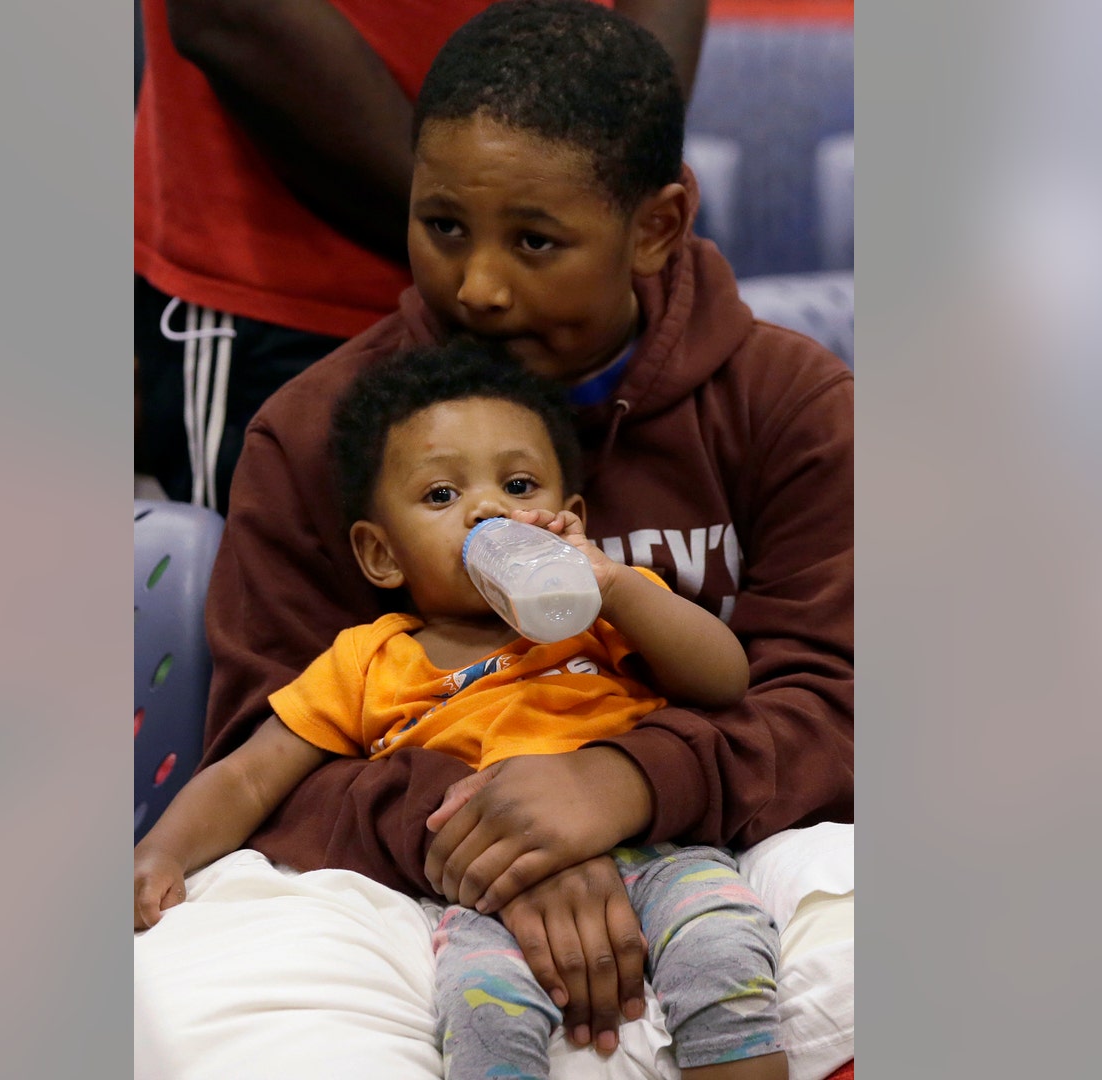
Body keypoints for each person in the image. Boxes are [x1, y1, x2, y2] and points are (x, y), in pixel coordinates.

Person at [142, 0, 854, 1059]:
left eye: (534, 241)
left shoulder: (789, 400)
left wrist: (622, 785)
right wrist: (501, 834)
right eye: (443, 227)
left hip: (719, 838)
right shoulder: (316, 431)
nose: (477, 285)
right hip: (417, 878)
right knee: (193, 999)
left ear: (656, 226)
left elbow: (836, 702)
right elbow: (265, 764)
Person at [137, 342, 787, 1080]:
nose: (487, 509)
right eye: (441, 495)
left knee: (723, 951)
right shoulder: (369, 658)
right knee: (481, 1011)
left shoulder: (603, 612)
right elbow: (250, 776)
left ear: (570, 517)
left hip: (658, 851)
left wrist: (616, 586)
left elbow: (724, 677)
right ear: (382, 556)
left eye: (518, 484)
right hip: (487, 894)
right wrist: (161, 853)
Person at [134, 0, 704, 513]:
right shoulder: (291, 429)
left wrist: (601, 199)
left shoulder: (772, 395)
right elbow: (230, 15)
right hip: (289, 296)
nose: (478, 289)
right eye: (444, 225)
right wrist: (509, 226)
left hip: (583, 319)